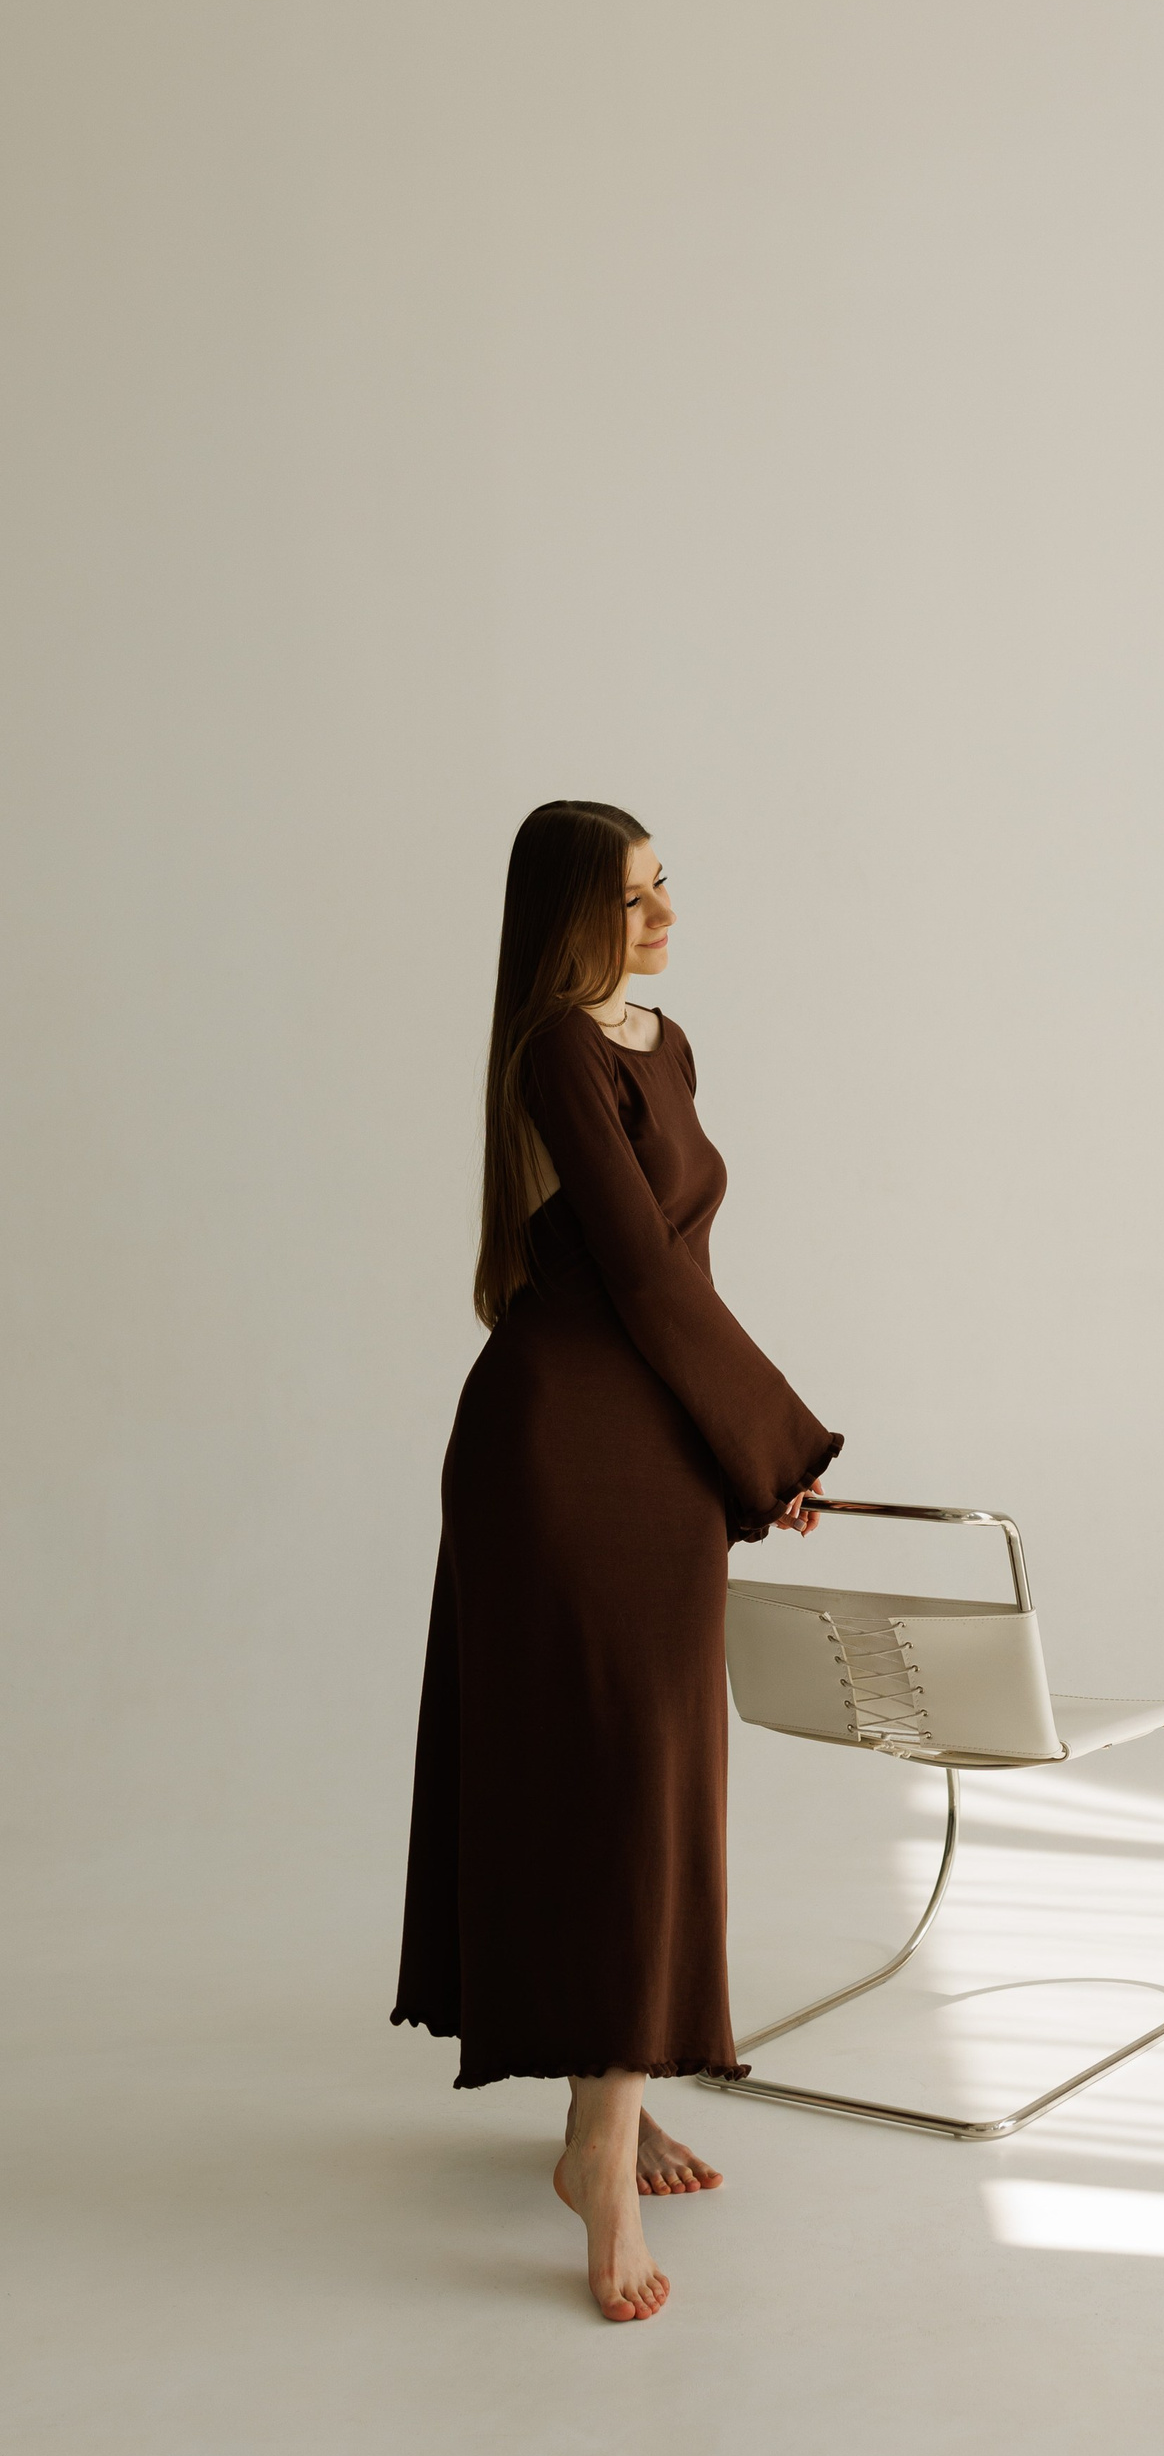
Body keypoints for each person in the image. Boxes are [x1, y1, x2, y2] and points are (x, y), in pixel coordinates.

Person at [392, 797, 842, 2322]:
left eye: (665, 887)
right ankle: (599, 2142)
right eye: (633, 898)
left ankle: (619, 2093)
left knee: (659, 1777)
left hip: (653, 1448)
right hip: (558, 1455)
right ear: (568, 915)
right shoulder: (555, 1053)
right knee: (611, 1777)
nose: (664, 918)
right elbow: (641, 1273)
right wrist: (771, 1440)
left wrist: (741, 1454)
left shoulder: (665, 1041)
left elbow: (683, 1274)